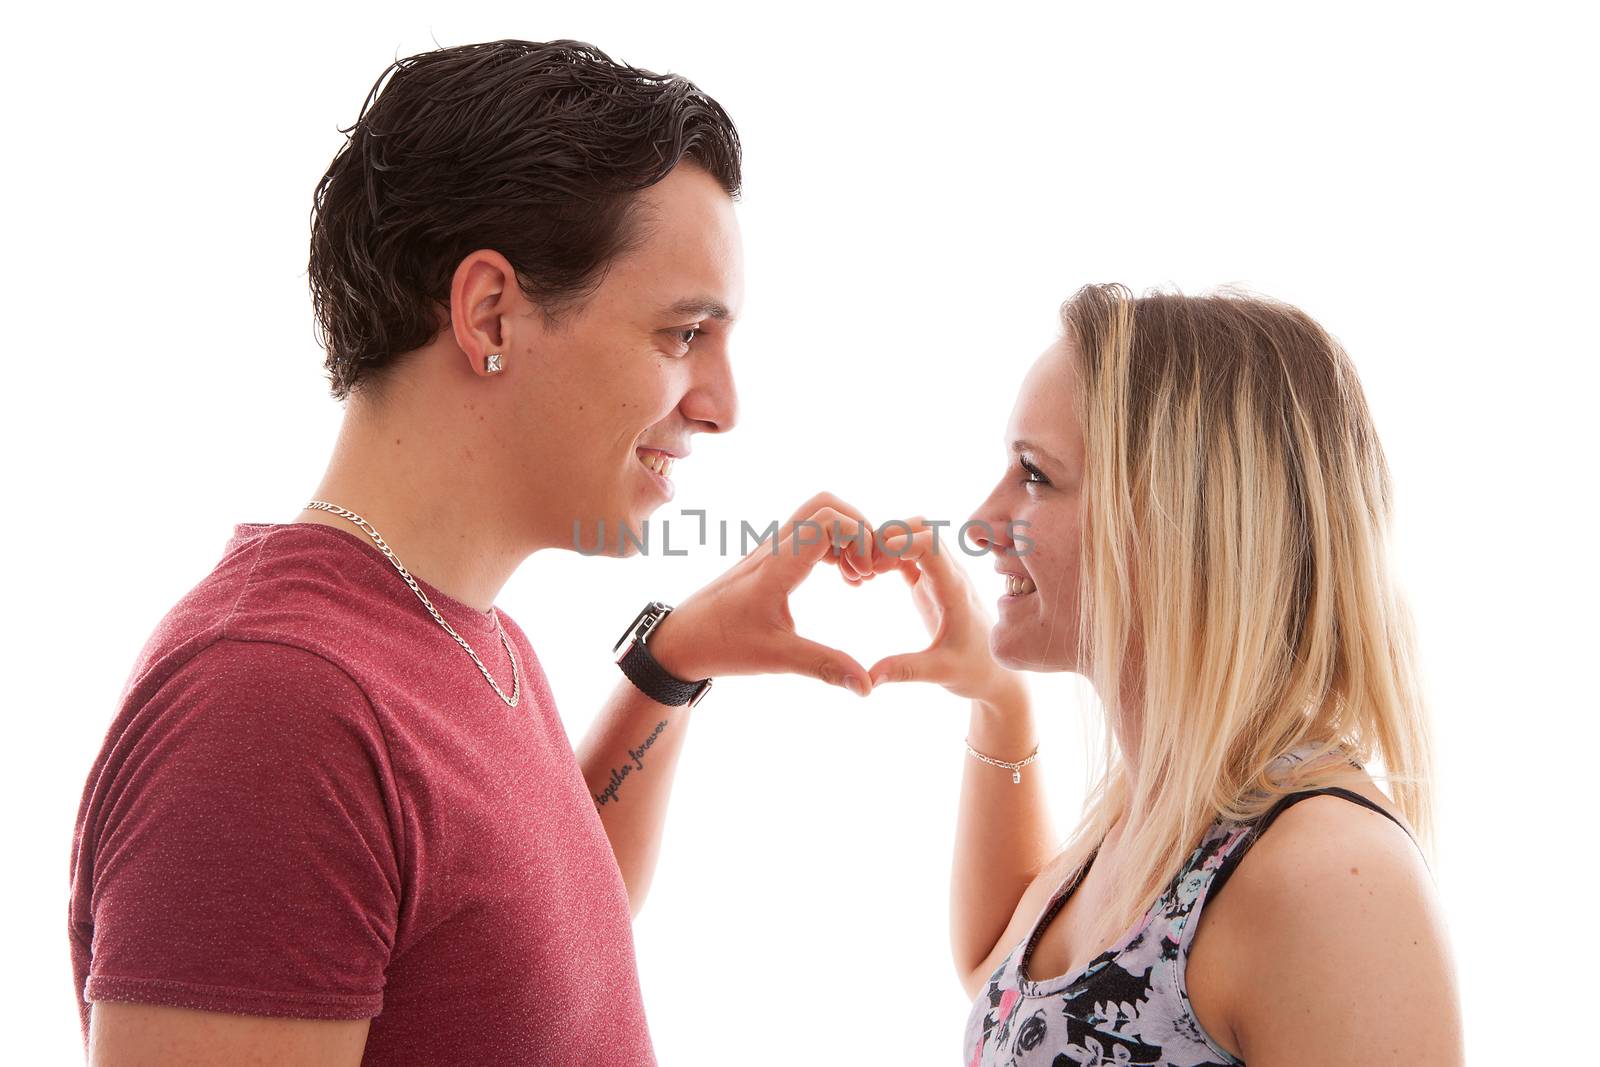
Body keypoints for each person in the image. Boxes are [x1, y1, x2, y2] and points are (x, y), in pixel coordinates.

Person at [68, 39, 890, 1066]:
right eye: (683, 335)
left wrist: (668, 665)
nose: (722, 407)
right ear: (490, 311)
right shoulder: (275, 706)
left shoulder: (457, 631)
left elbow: (528, 946)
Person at [866, 284, 1464, 1064]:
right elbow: (999, 973)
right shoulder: (1153, 814)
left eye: (1035, 474)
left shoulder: (1330, 878)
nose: (981, 521)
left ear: (1181, 519)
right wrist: (996, 701)